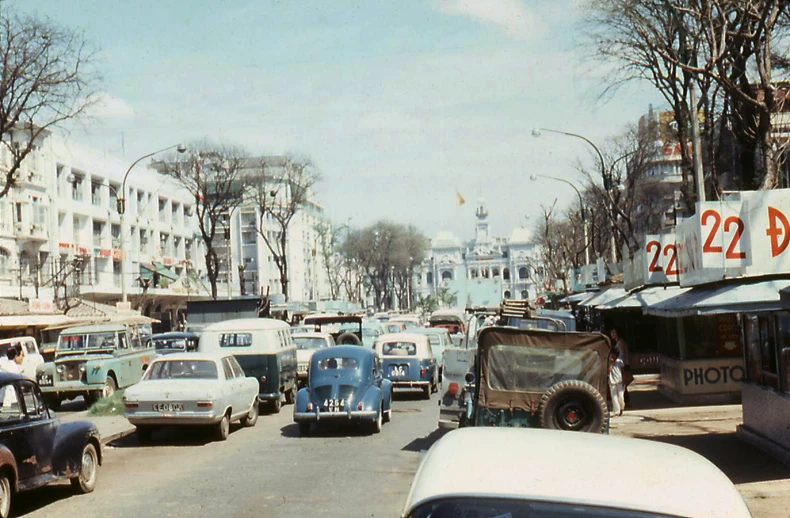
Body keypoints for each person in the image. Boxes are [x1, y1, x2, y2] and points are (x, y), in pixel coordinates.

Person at [610, 327, 633, 404]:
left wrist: (617, 361)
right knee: (622, 384)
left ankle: (625, 400)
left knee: (622, 383)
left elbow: (623, 353)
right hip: (619, 363)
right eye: (611, 333)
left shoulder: (621, 341)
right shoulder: (617, 342)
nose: (612, 334)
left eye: (614, 333)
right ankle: (625, 401)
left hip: (623, 364)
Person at [608, 349, 625, 417]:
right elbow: (608, 371)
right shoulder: (609, 363)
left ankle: (621, 408)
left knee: (621, 397)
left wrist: (624, 381)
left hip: (619, 381)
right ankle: (616, 411)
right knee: (614, 398)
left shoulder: (619, 362)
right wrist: (611, 363)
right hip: (612, 382)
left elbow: (623, 372)